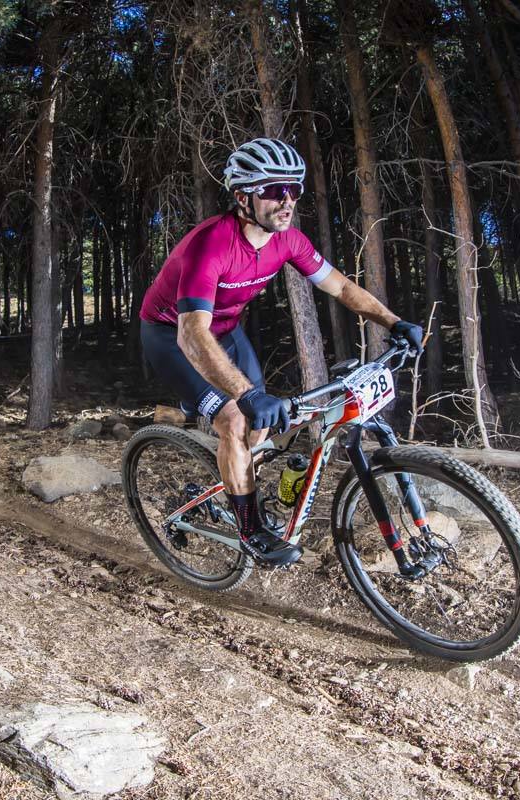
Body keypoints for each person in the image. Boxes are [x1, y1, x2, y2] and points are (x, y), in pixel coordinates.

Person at [140, 138, 423, 568]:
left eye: (294, 189)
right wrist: (244, 395)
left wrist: (394, 322)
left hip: (226, 332)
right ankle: (251, 530)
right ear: (243, 197)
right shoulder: (209, 245)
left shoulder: (287, 240)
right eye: (273, 190)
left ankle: (226, 488)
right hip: (173, 336)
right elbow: (191, 334)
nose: (287, 200)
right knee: (236, 417)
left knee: (257, 431)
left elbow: (342, 287)